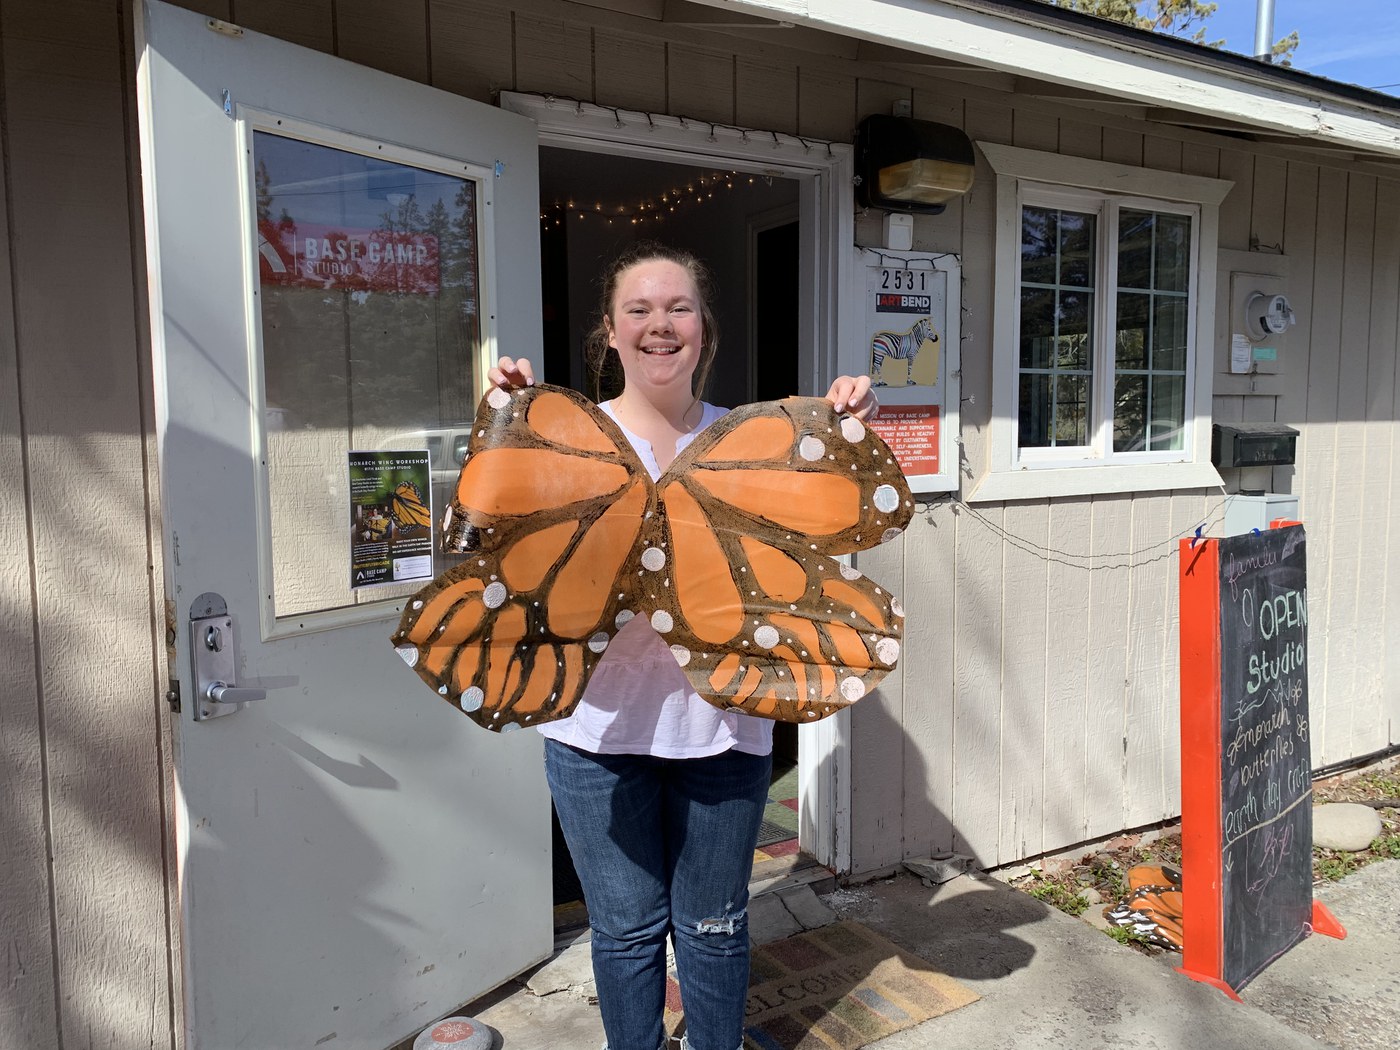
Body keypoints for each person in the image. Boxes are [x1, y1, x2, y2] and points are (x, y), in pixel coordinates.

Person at [486, 242, 878, 1050]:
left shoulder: (751, 440)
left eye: (678, 308)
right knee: (625, 933)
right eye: (639, 309)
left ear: (704, 328)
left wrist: (842, 435)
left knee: (713, 926)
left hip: (723, 729)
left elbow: (815, 546)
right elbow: (494, 537)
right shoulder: (566, 438)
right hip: (593, 734)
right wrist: (499, 419)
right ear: (610, 330)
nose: (659, 325)